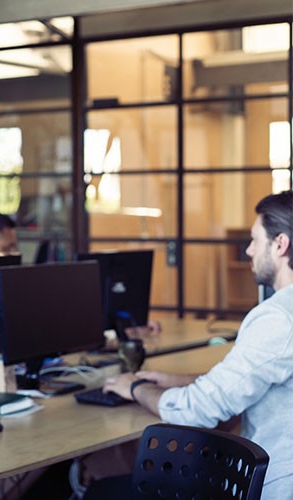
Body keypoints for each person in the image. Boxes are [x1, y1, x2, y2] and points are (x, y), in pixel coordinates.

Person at [103, 190, 293, 498]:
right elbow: (251, 380)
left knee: (110, 488)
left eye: (255, 240)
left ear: (280, 244)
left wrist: (136, 389)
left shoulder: (279, 318)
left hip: (272, 487)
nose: (248, 250)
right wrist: (174, 380)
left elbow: (198, 411)